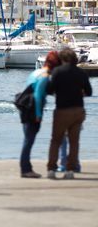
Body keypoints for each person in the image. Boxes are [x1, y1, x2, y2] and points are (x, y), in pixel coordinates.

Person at [46, 48, 92, 179]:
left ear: (62, 59)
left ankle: (51, 169)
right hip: (78, 110)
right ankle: (70, 170)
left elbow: (50, 90)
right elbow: (89, 92)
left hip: (62, 110)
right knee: (74, 142)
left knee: (56, 140)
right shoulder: (81, 73)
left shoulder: (57, 72)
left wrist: (59, 92)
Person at [19, 51, 61, 178]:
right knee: (29, 140)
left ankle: (26, 168)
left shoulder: (35, 73)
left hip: (25, 107)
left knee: (27, 139)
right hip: (33, 110)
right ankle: (26, 169)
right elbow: (38, 95)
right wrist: (38, 114)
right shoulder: (44, 75)